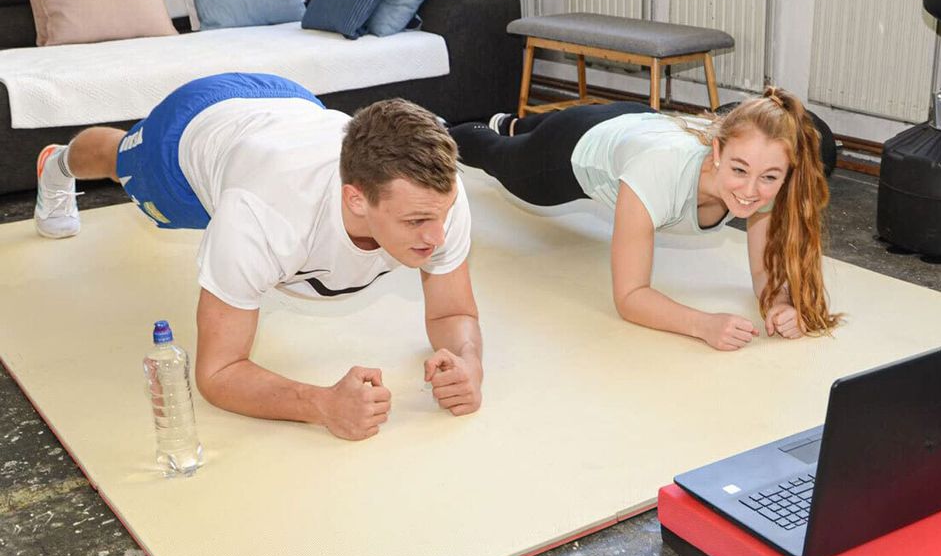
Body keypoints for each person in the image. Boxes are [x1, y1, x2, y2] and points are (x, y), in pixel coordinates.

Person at [34, 72, 484, 439]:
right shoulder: (264, 214)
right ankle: (56, 163)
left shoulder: (437, 196)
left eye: (442, 215)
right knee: (117, 159)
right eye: (415, 222)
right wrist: (323, 405)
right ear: (356, 199)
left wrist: (470, 364)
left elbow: (453, 313)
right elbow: (218, 372)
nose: (437, 236)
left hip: (288, 108)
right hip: (193, 131)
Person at [450, 88, 840, 351]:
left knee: (528, 128)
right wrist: (703, 325)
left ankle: (514, 123)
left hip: (633, 120)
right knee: (496, 153)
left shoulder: (763, 178)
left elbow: (762, 273)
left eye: (769, 177)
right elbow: (630, 296)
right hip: (567, 152)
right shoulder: (659, 173)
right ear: (718, 150)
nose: (752, 190)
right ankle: (440, 128)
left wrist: (781, 303)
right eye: (739, 170)